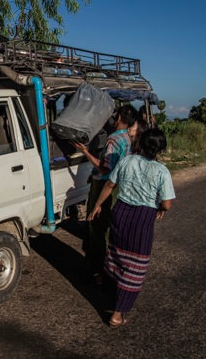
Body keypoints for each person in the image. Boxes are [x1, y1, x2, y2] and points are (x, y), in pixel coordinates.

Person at [88, 128, 175, 328]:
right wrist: (160, 207)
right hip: (142, 218)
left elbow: (110, 185)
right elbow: (168, 204)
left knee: (117, 254)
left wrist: (98, 204)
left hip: (121, 212)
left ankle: (109, 290)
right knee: (135, 265)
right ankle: (117, 315)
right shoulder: (161, 171)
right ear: (160, 150)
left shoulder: (127, 161)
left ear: (141, 144)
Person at [73, 104, 138, 282]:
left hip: (104, 185)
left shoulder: (113, 140)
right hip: (117, 186)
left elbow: (104, 168)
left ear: (118, 119)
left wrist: (85, 152)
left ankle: (96, 268)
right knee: (107, 225)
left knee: (96, 225)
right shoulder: (127, 138)